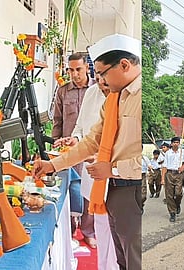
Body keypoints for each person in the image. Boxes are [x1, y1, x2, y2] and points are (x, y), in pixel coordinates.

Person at [33, 33, 142, 269]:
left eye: (102, 73)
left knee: (133, 257)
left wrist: (112, 168)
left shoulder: (140, 97)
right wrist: (52, 165)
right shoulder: (115, 98)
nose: (99, 80)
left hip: (132, 189)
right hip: (110, 189)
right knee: (119, 257)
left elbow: (143, 159)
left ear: (124, 65)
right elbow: (91, 140)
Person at [54, 75, 119, 268]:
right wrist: (75, 140)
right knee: (102, 231)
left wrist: (98, 156)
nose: (101, 83)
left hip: (119, 182)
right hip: (95, 174)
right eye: (98, 78)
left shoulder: (127, 99)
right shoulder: (92, 93)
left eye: (105, 77)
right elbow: (85, 131)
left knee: (117, 245)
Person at [52, 52, 95, 247]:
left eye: (78, 69)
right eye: (70, 70)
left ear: (87, 68)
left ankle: (88, 231)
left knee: (89, 192)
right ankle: (69, 231)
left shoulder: (97, 89)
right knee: (69, 189)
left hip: (92, 149)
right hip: (69, 151)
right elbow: (58, 120)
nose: (74, 74)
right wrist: (56, 141)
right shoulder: (62, 91)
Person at [161, 137, 184, 222]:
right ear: (171, 144)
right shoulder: (168, 153)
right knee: (169, 195)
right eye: (174, 142)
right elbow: (164, 166)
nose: (176, 144)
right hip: (169, 174)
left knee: (178, 193)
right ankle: (172, 212)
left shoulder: (182, 152)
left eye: (177, 142)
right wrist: (163, 179)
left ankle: (177, 204)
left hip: (178, 174)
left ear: (179, 143)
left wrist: (182, 167)